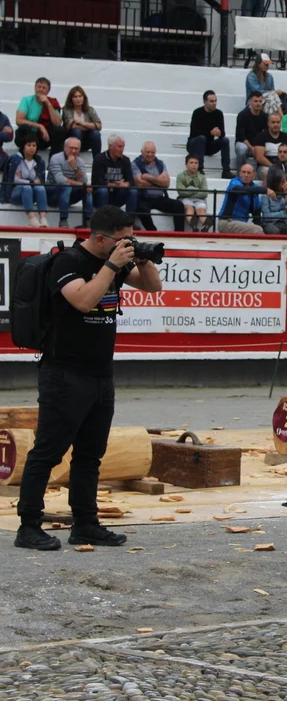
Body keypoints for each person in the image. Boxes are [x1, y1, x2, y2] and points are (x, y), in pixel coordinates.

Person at [14, 205, 163, 551]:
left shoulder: (116, 261)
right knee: (48, 452)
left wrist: (142, 260)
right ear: (100, 239)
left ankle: (85, 524)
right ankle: (28, 526)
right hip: (64, 373)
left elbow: (153, 287)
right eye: (122, 240)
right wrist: (111, 266)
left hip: (100, 374)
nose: (127, 245)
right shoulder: (68, 262)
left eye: (131, 239)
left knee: (90, 454)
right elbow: (83, 301)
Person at [132, 142, 186, 232]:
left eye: (152, 152)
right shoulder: (135, 164)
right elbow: (139, 183)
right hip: (144, 198)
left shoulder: (160, 163)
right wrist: (158, 181)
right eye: (148, 152)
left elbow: (166, 183)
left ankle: (179, 234)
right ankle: (153, 232)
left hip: (159, 198)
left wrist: (149, 177)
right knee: (142, 209)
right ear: (142, 152)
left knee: (179, 205)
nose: (150, 154)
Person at [47, 137, 93, 229]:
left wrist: (75, 168)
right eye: (71, 148)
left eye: (76, 148)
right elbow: (60, 180)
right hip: (53, 193)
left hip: (69, 194)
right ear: (65, 147)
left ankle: (88, 220)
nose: (74, 151)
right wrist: (82, 184)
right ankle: (63, 219)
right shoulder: (56, 158)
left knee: (87, 189)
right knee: (67, 186)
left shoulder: (80, 161)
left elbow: (84, 180)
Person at [186, 90, 233, 178]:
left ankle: (226, 170)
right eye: (211, 101)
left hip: (208, 146)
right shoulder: (197, 112)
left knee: (225, 140)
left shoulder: (219, 113)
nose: (214, 103)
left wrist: (219, 133)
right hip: (194, 145)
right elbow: (195, 132)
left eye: (215, 101)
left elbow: (222, 133)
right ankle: (199, 168)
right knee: (201, 138)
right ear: (204, 102)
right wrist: (211, 133)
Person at [15, 77, 63, 157]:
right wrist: (39, 126)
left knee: (59, 130)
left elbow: (57, 123)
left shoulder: (52, 102)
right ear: (35, 88)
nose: (40, 90)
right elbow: (19, 120)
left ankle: (54, 160)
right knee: (24, 127)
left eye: (44, 88)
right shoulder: (26, 100)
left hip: (43, 137)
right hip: (28, 135)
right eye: (39, 87)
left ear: (48, 91)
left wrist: (48, 103)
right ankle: (24, 158)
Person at [91, 134, 138, 217]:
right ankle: (104, 220)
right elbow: (96, 181)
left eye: (123, 147)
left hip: (118, 194)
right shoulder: (99, 158)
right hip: (101, 195)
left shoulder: (125, 160)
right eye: (119, 146)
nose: (122, 150)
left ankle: (130, 221)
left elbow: (131, 180)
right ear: (110, 146)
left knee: (133, 191)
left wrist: (126, 184)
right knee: (103, 191)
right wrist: (113, 185)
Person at [217, 163, 266, 234]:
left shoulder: (255, 188)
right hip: (226, 222)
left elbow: (257, 215)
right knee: (257, 230)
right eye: (243, 172)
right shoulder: (234, 182)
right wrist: (265, 190)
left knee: (265, 229)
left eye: (249, 173)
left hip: (241, 224)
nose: (246, 175)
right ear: (240, 173)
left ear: (254, 175)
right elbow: (240, 190)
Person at [12, 137, 48, 228]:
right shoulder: (17, 160)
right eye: (29, 145)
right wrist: (31, 181)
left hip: (32, 193)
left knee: (41, 188)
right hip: (16, 192)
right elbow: (16, 180)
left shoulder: (39, 161)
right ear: (23, 147)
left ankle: (43, 218)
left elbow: (40, 181)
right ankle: (32, 219)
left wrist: (24, 180)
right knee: (26, 187)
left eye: (34, 145)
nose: (31, 148)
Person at [62, 86, 102, 158]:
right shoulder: (67, 109)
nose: (78, 99)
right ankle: (74, 158)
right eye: (75, 97)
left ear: (84, 97)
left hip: (86, 141)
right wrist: (91, 126)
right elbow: (72, 126)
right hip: (72, 139)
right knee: (77, 131)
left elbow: (99, 126)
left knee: (96, 133)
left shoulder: (90, 109)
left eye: (80, 96)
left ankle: (97, 160)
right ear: (71, 99)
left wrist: (82, 123)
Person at [251, 112, 287, 181]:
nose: (276, 124)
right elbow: (259, 157)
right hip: (265, 167)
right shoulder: (260, 137)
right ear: (268, 123)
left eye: (278, 122)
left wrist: (283, 167)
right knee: (268, 174)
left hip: (285, 166)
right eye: (273, 122)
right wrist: (275, 167)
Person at [234, 92, 268, 174]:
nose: (258, 104)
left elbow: (266, 134)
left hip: (257, 145)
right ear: (250, 101)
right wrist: (251, 148)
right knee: (242, 149)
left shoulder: (265, 116)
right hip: (244, 143)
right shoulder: (242, 115)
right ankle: (239, 174)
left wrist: (258, 148)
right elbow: (241, 136)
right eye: (255, 101)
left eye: (260, 101)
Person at [177, 154, 210, 232]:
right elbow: (181, 192)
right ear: (186, 164)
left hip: (199, 199)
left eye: (196, 163)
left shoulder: (202, 177)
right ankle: (193, 225)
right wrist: (197, 189)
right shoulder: (180, 176)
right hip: (185, 199)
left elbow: (205, 193)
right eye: (191, 162)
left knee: (201, 210)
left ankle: (206, 225)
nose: (194, 165)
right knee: (189, 208)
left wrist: (188, 189)